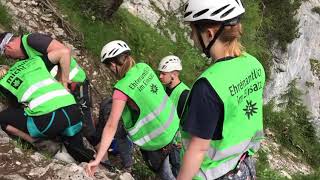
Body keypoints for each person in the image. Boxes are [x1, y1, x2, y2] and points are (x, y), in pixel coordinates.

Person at [177, 0, 265, 179]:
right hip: (243, 167)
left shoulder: (208, 86)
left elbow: (198, 149)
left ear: (209, 34)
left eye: (193, 31)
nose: (192, 38)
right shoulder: (254, 64)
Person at [86, 40, 180, 180]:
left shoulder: (122, 88)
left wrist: (98, 159)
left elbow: (111, 125)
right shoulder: (144, 67)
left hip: (159, 145)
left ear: (112, 65)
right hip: (178, 131)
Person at [0, 32, 95, 143]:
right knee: (73, 130)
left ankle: (103, 157)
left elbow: (64, 52)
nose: (12, 59)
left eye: (7, 55)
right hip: (62, 96)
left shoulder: (32, 40)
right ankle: (88, 155)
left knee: (88, 128)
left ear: (8, 46)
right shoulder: (26, 60)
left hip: (75, 81)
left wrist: (63, 82)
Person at [0, 52, 95, 163]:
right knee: (79, 151)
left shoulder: (4, 82)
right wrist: (63, 82)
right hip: (73, 111)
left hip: (49, 121)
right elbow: (63, 53)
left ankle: (39, 143)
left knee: (3, 118)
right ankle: (96, 164)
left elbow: (16, 106)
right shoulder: (35, 60)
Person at [158, 55, 190, 177]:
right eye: (160, 73)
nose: (160, 76)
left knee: (176, 171)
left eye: (163, 73)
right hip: (163, 139)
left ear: (174, 74)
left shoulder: (184, 94)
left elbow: (186, 122)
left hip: (176, 144)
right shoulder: (164, 89)